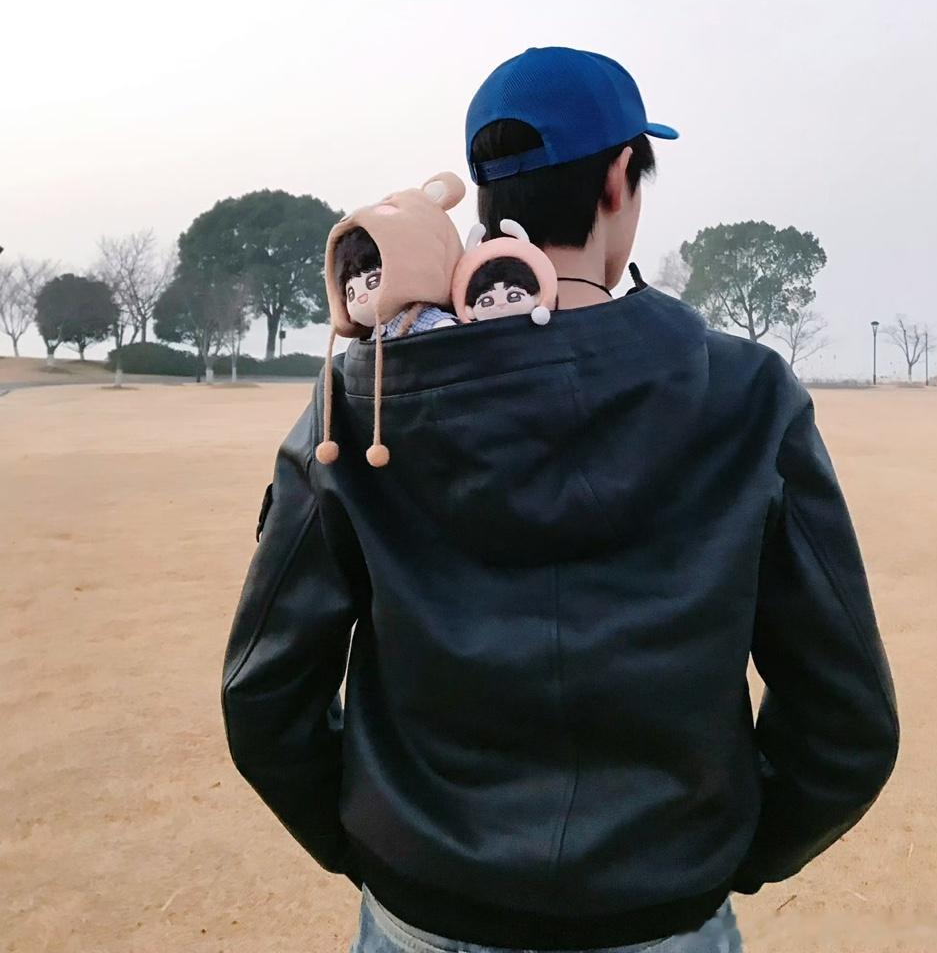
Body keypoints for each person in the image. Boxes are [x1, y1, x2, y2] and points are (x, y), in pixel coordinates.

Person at [222, 46, 899, 953]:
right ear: (619, 178)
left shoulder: (367, 396)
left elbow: (264, 688)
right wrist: (717, 859)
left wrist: (378, 847)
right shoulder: (745, 392)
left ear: (482, 195)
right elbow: (845, 714)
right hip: (664, 910)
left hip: (424, 908)